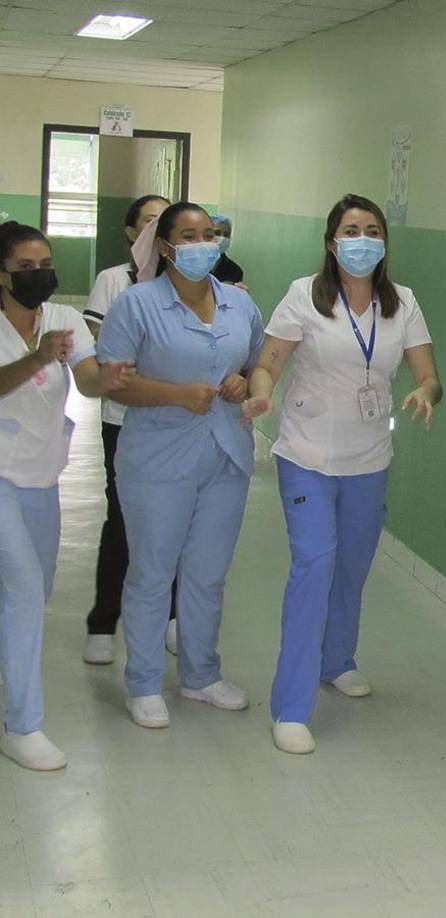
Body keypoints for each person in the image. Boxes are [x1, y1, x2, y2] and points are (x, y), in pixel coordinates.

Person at [243, 193, 441, 755]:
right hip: (305, 454)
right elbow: (268, 364)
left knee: (352, 565)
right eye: (351, 230)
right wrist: (261, 396)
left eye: (372, 230)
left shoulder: (402, 302)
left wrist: (426, 392)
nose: (362, 240)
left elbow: (428, 371)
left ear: (384, 242)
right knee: (315, 564)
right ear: (332, 242)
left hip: (369, 459)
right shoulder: (303, 296)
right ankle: (291, 706)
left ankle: (338, 660)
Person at [96, 202, 264, 730]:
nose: (202, 245)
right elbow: (112, 379)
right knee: (152, 571)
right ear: (165, 247)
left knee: (207, 574)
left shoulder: (240, 305)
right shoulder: (137, 305)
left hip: (226, 454)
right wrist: (174, 394)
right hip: (157, 459)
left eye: (210, 235)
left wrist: (245, 382)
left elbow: (259, 362)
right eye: (188, 236)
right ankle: (143, 682)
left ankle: (200, 674)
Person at [0, 222, 131, 769]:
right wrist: (36, 358)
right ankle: (22, 724)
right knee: (25, 591)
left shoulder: (65, 319)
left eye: (45, 264)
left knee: (34, 589)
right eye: (25, 268)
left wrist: (110, 377)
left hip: (41, 478)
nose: (40, 275)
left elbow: (88, 381)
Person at [81, 193, 177, 665]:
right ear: (130, 231)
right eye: (148, 220)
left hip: (180, 420)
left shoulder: (190, 281)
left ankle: (175, 617)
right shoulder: (113, 281)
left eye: (166, 219)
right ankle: (103, 621)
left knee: (180, 519)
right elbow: (101, 343)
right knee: (123, 519)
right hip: (125, 419)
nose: (157, 227)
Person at [209, 215, 243, 285]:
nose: (222, 238)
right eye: (217, 233)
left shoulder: (235, 270)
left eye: (226, 235)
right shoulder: (192, 264)